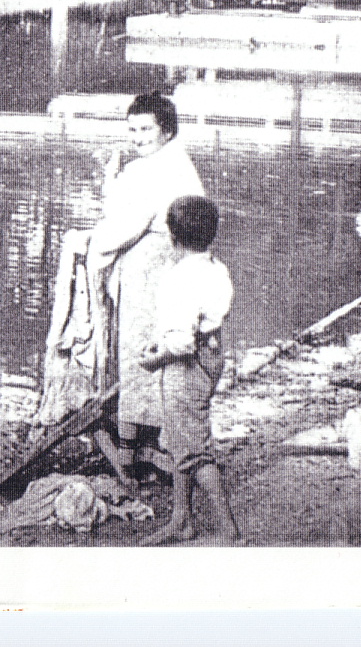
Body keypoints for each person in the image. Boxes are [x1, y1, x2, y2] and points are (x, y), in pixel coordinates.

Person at [70, 92, 206, 477]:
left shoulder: (155, 169)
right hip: (172, 260)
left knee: (138, 350)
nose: (138, 137)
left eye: (146, 129)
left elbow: (123, 223)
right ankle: (152, 442)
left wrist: (94, 244)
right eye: (132, 130)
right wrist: (115, 176)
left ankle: (136, 452)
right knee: (160, 350)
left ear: (166, 130)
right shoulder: (172, 161)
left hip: (154, 265)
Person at [135, 195, 242, 546]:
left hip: (186, 365)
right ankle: (182, 519)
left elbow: (181, 341)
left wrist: (155, 359)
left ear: (172, 236)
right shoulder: (216, 268)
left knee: (194, 451)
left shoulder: (178, 278)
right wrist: (163, 339)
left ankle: (229, 530)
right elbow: (205, 320)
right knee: (182, 439)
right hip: (212, 357)